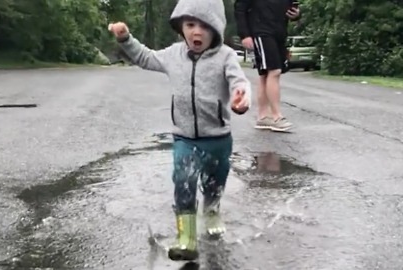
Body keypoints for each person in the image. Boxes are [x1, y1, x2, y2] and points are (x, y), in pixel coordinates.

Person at [108, 0, 252, 261]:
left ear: (216, 29)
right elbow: (145, 57)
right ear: (181, 27)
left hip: (219, 138)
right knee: (183, 181)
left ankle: (211, 211)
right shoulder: (174, 55)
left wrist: (241, 97)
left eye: (204, 26)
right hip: (184, 137)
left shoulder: (226, 56)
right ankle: (186, 239)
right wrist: (126, 39)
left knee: (214, 182)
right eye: (190, 25)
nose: (197, 32)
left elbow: (238, 81)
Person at [234, 0, 301, 132]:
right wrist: (245, 35)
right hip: (261, 32)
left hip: (279, 33)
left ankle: (263, 116)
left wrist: (297, 14)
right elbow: (240, 9)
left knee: (265, 74)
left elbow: (293, 7)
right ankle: (277, 117)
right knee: (274, 71)